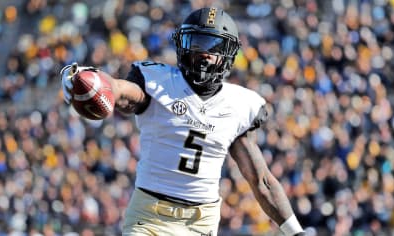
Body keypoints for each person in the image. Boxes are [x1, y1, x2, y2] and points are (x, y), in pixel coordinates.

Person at [60, 7, 305, 236]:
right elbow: (122, 92)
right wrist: (91, 79)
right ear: (183, 45)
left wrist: (297, 232)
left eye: (213, 46)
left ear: (228, 54)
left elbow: (261, 181)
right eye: (197, 43)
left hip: (201, 222)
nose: (204, 54)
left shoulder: (239, 105)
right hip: (150, 217)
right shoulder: (158, 82)